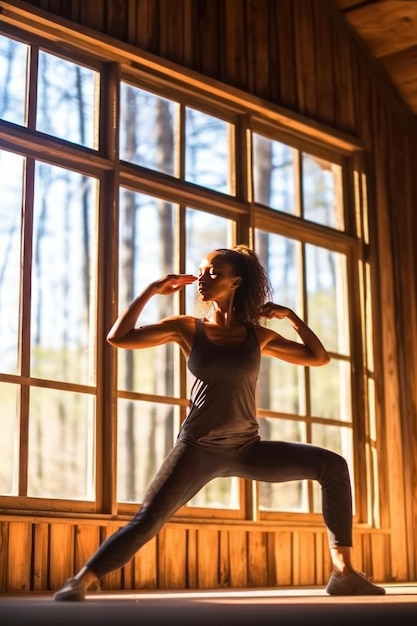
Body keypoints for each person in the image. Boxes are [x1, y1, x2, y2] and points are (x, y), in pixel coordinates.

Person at [53, 244, 385, 601]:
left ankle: (343, 573)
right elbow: (118, 338)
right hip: (197, 448)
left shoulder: (258, 336)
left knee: (332, 466)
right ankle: (83, 579)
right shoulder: (187, 328)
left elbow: (318, 359)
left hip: (247, 448)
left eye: (213, 272)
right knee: (148, 519)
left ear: (236, 281)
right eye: (201, 270)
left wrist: (290, 317)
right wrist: (151, 290)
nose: (202, 278)